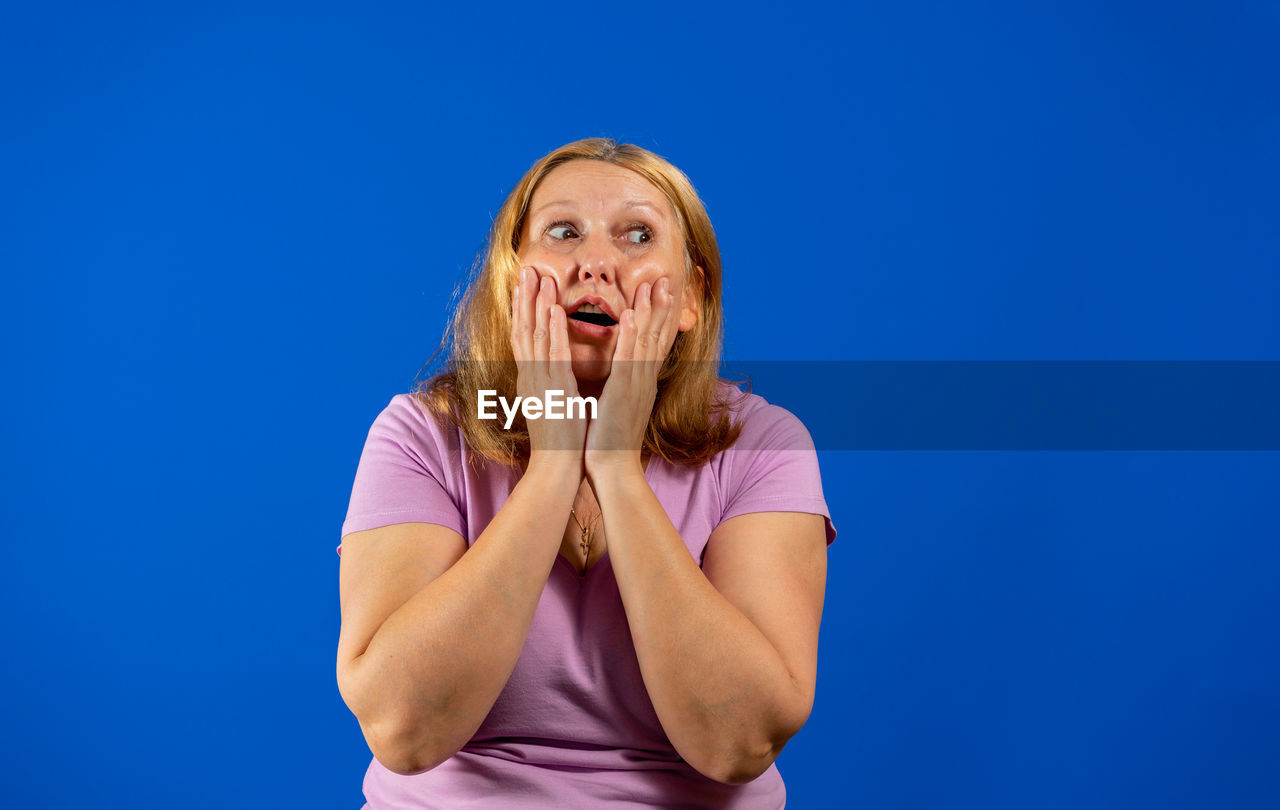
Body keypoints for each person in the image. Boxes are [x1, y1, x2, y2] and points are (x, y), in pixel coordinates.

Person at [336, 138, 837, 809]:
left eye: (637, 235)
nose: (596, 262)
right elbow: (404, 731)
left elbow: (738, 743)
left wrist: (615, 468)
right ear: (513, 281)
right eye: (564, 231)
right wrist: (551, 469)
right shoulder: (423, 434)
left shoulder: (765, 445)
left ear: (690, 297)